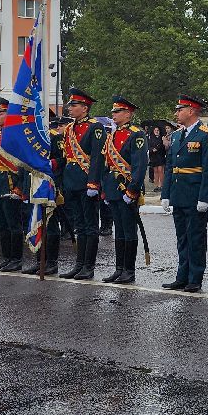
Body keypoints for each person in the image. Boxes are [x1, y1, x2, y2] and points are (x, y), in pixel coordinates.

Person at [160, 94, 208, 292]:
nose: (177, 113)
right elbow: (170, 166)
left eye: (180, 110)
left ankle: (195, 277)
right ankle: (182, 276)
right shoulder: (177, 135)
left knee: (195, 238)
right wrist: (166, 194)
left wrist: (204, 197)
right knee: (182, 238)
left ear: (191, 111)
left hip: (195, 195)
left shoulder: (205, 134)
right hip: (179, 193)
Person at [57, 89, 109, 279]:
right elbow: (66, 157)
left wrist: (94, 183)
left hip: (87, 183)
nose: (70, 109)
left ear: (85, 108)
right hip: (71, 181)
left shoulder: (95, 127)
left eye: (74, 105)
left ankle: (89, 266)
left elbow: (97, 157)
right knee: (79, 225)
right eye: (70, 105)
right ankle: (79, 264)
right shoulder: (70, 129)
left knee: (90, 225)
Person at [100, 97, 148, 285]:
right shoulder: (111, 135)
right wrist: (104, 189)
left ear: (128, 114)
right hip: (113, 188)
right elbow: (107, 164)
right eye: (113, 112)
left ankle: (129, 270)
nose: (113, 115)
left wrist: (133, 190)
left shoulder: (136, 134)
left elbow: (139, 165)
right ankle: (118, 269)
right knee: (118, 231)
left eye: (117, 112)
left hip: (127, 188)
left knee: (129, 231)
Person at [0, 107, 29, 272]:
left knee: (13, 225)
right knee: (2, 225)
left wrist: (19, 187)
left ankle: (16, 259)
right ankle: (6, 258)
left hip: (11, 184)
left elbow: (23, 164)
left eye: (1, 114)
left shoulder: (18, 137)